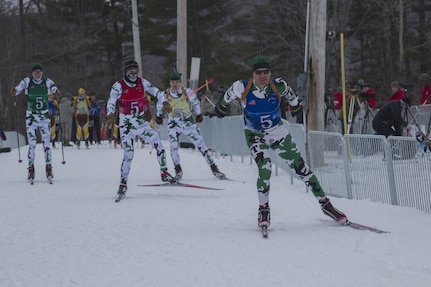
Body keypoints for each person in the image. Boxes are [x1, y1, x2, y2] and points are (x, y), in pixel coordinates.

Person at [214, 55, 347, 228]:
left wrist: (297, 107)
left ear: (270, 73)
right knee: (265, 167)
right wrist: (221, 108)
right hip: (255, 134)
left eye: (266, 72)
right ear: (253, 74)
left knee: (302, 168)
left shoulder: (279, 85)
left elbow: (293, 99)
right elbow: (226, 97)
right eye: (259, 72)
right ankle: (264, 209)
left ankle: (326, 205)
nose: (263, 76)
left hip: (277, 132)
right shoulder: (241, 87)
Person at [107, 60, 176, 198]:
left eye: (135, 72)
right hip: (126, 124)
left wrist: (165, 102)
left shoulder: (142, 82)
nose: (133, 74)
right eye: (130, 72)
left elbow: (158, 92)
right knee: (129, 154)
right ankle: (123, 184)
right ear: (125, 73)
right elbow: (111, 101)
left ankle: (164, 173)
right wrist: (109, 114)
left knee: (158, 143)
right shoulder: (118, 86)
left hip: (140, 123)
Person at [156, 71, 226, 181]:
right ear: (170, 83)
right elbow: (159, 105)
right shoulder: (165, 95)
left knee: (201, 145)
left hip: (187, 122)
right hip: (173, 123)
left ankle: (214, 169)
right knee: (173, 146)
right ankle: (178, 170)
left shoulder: (187, 92)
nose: (175, 84)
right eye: (173, 82)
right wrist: (159, 116)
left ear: (180, 82)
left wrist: (198, 115)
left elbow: (196, 103)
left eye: (177, 82)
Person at [12, 63, 60, 182]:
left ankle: (48, 167)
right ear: (32, 74)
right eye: (35, 73)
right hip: (31, 117)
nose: (37, 75)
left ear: (42, 73)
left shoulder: (47, 82)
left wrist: (56, 92)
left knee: (46, 144)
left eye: (39, 72)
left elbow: (54, 88)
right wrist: (15, 91)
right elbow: (18, 88)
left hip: (44, 117)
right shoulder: (27, 81)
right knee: (32, 144)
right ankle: (31, 168)